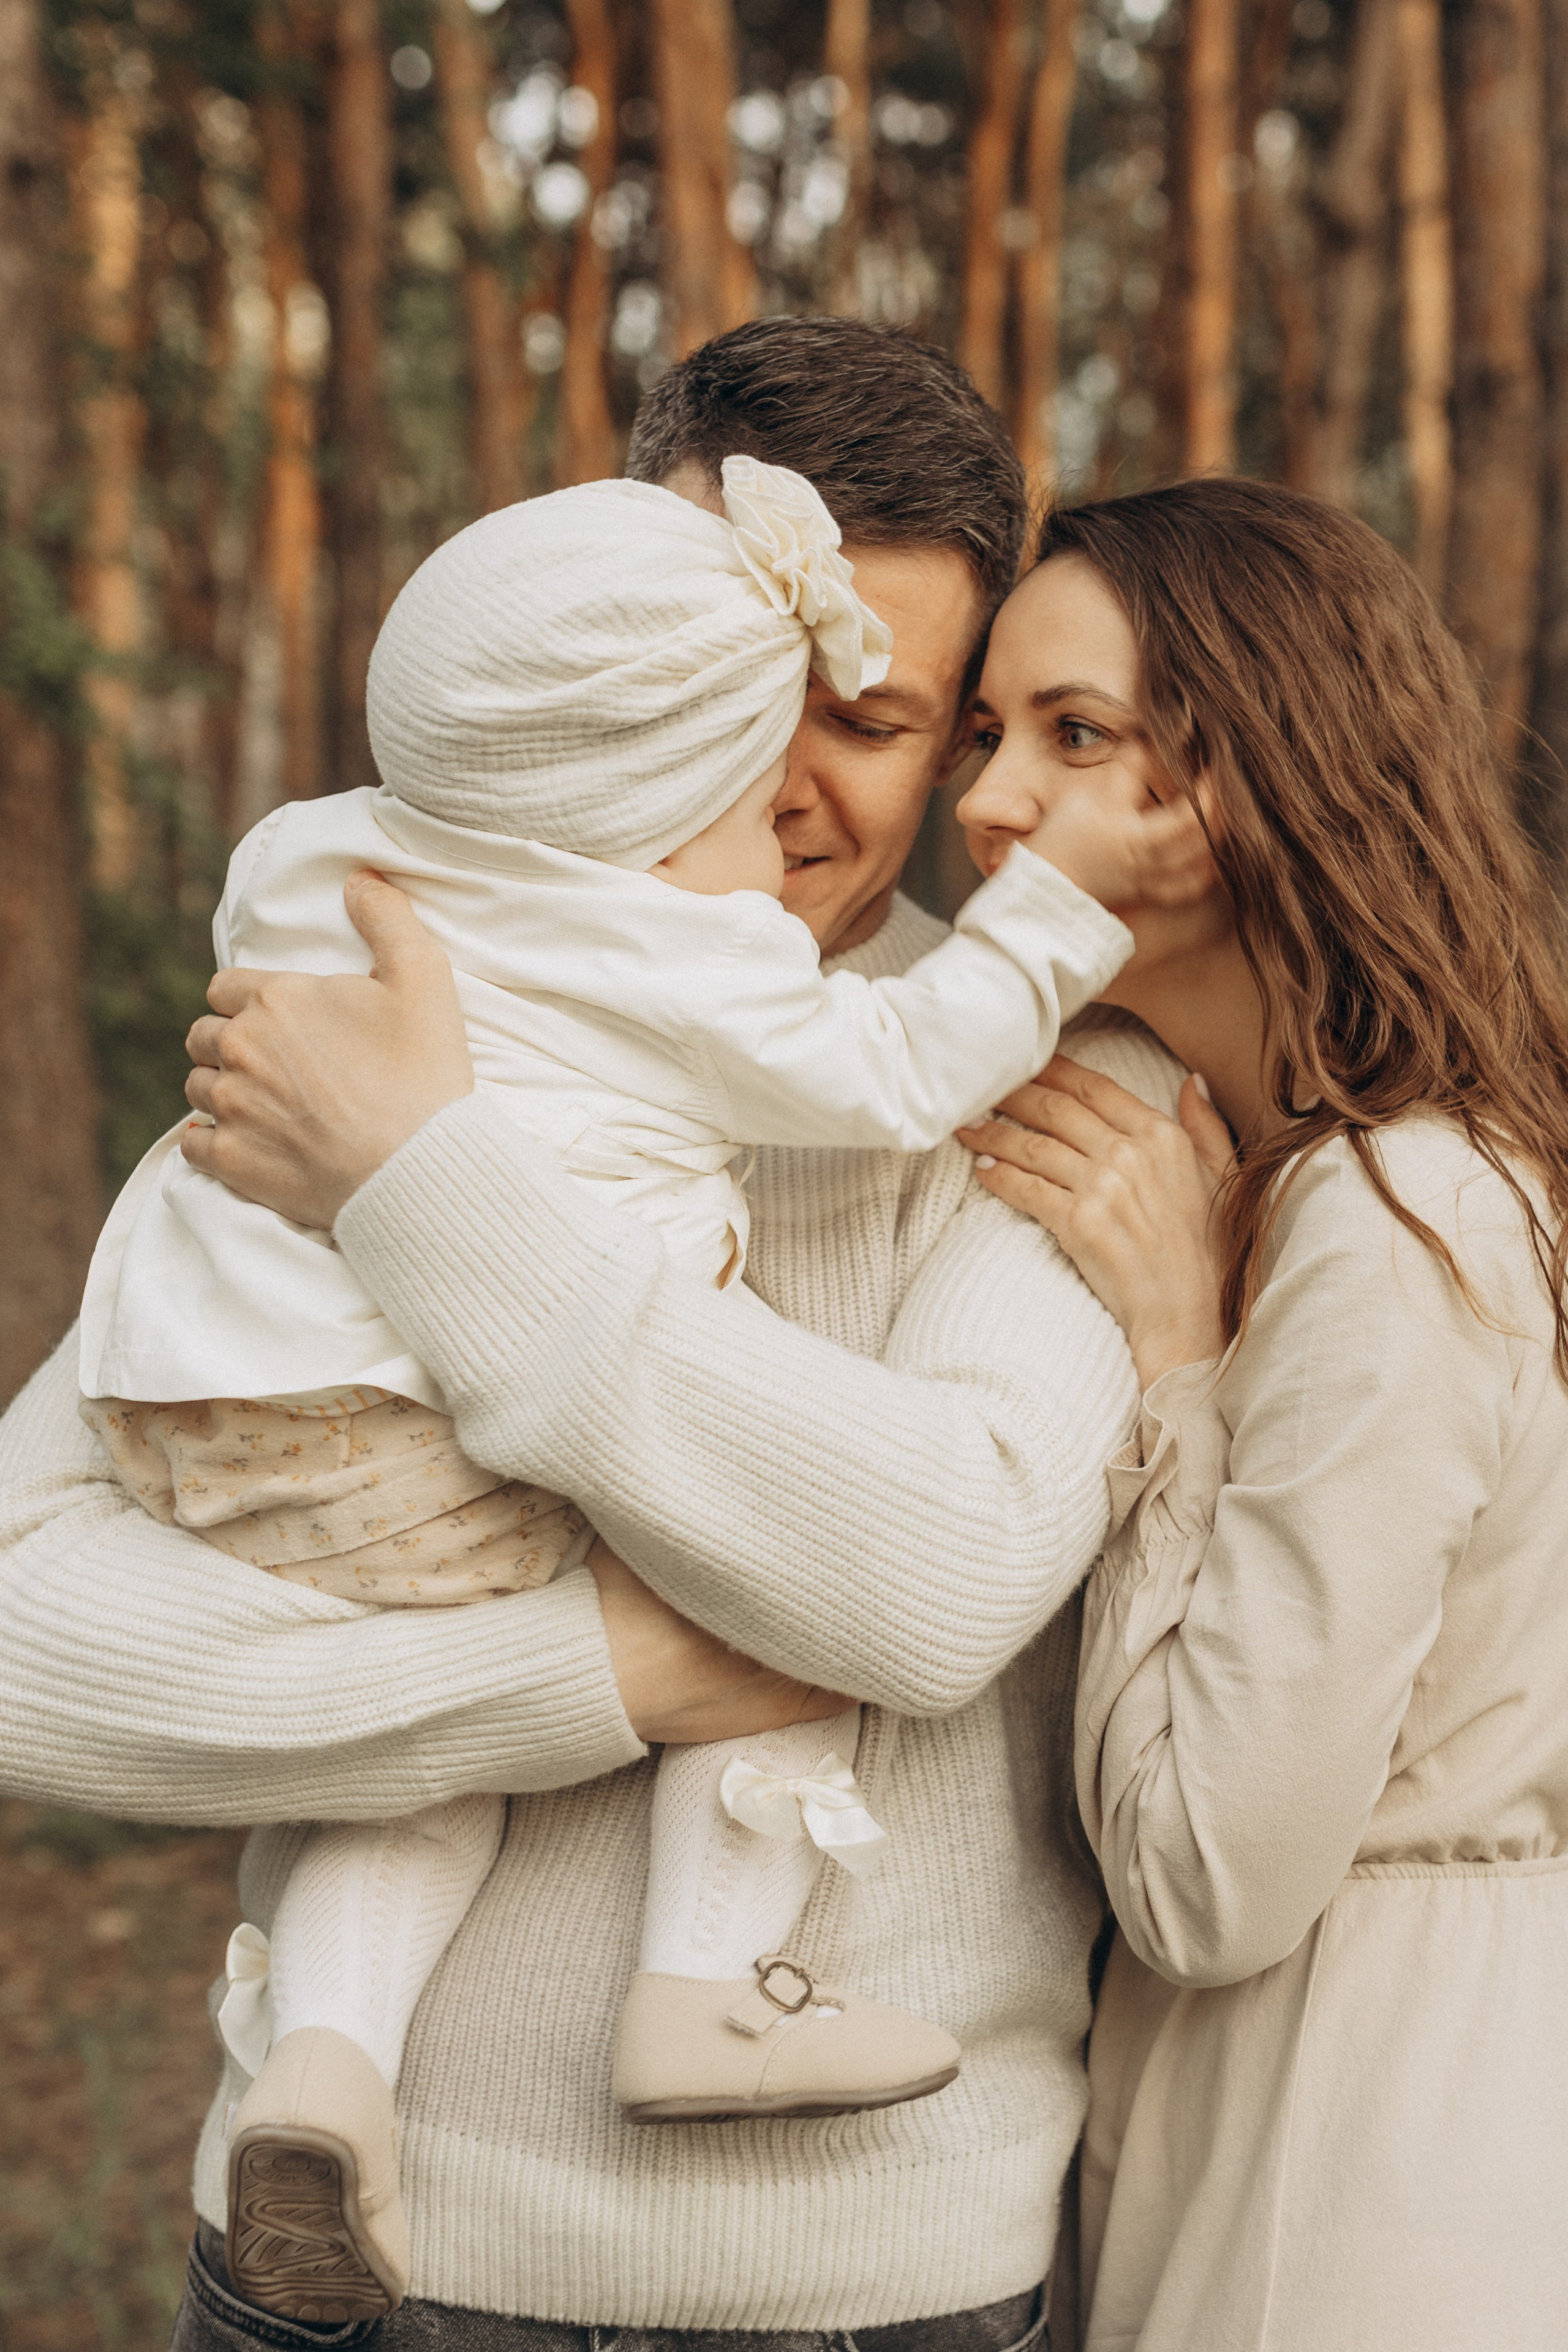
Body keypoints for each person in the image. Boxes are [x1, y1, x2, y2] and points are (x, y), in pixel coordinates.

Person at [0, 319, 1184, 2351]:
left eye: (869, 722)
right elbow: (28, 1652)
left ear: (960, 739)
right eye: (718, 687)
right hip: (356, 2281)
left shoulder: (1056, 1094)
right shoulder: (357, 1002)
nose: (781, 786)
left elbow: (935, 1583)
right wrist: (607, 1669)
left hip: (863, 2293)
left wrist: (427, 1177)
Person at [954, 476, 1568, 2350]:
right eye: (987, 735)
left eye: (1073, 736)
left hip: (1361, 2166)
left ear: (1247, 781)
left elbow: (1214, 1878)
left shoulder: (1404, 1219)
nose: (984, 802)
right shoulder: (1341, 1173)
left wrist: (1173, 1378)